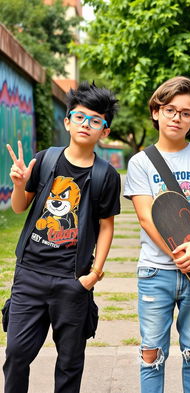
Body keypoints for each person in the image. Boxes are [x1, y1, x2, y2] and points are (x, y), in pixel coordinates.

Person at [4, 81, 120, 393]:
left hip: (73, 278)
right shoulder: (45, 160)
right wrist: (19, 184)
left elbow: (106, 225)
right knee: (15, 354)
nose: (87, 124)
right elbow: (19, 208)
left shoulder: (105, 175)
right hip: (30, 274)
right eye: (80, 117)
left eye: (96, 120)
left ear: (104, 131)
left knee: (70, 361)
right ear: (67, 121)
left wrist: (93, 274)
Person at [124, 76, 190, 393]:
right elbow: (145, 217)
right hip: (156, 270)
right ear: (156, 112)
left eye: (185, 113)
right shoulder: (140, 163)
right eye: (170, 109)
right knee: (151, 351)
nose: (177, 117)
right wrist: (179, 255)